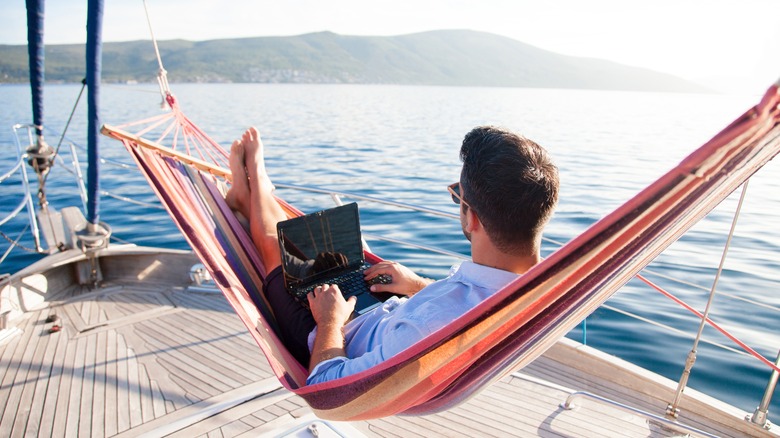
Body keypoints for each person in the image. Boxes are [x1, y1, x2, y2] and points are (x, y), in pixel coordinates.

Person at [225, 125, 559, 385]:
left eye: (457, 196)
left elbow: (327, 382)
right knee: (308, 250)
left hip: (333, 337)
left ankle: (255, 186)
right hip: (388, 311)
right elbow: (464, 307)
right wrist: (415, 284)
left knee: (276, 251)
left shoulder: (425, 328)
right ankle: (254, 193)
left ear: (471, 218)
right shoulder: (543, 290)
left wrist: (330, 320)